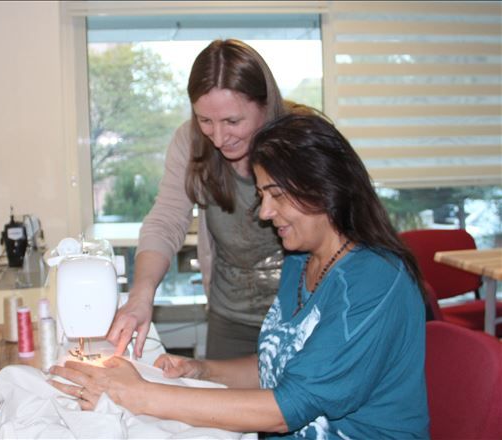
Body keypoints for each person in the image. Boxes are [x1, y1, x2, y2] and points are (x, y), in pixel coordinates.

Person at [50, 111, 429, 438]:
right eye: (263, 196)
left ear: (324, 185)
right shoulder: (301, 260)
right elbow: (278, 366)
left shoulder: (374, 282)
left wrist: (138, 394)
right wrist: (201, 370)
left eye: (276, 195)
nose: (265, 212)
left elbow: (287, 408)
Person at [108, 38, 303, 360]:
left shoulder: (304, 139)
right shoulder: (189, 142)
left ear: (265, 106)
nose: (219, 138)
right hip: (231, 316)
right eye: (205, 120)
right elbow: (166, 220)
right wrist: (141, 294)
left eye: (232, 121)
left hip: (304, 313)